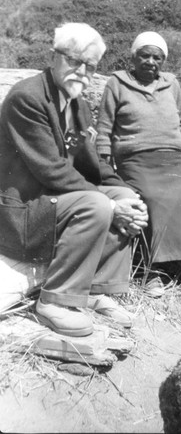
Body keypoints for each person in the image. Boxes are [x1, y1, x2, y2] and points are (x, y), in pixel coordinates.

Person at [0, 22, 149, 337]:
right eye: (73, 61)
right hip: (23, 209)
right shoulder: (27, 98)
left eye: (90, 66)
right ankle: (55, 301)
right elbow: (51, 169)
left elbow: (90, 165)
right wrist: (109, 202)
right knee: (96, 203)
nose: (81, 71)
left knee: (123, 198)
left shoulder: (76, 103)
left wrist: (126, 196)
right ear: (54, 55)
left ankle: (96, 289)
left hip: (53, 198)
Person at [96, 31, 181, 302]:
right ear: (133, 57)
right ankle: (151, 270)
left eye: (157, 57)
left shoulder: (171, 84)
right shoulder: (117, 83)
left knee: (179, 202)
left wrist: (175, 142)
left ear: (163, 61)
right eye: (145, 55)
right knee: (151, 200)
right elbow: (105, 127)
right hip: (134, 160)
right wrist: (105, 161)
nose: (150, 61)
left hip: (170, 159)